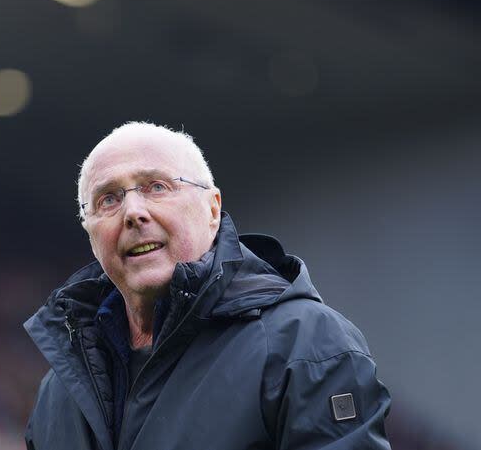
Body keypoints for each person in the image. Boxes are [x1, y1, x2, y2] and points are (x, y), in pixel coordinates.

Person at [23, 122, 391, 450]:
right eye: (108, 199)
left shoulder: (307, 345)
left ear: (213, 209)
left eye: (156, 187)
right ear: (90, 233)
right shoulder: (58, 393)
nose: (133, 212)